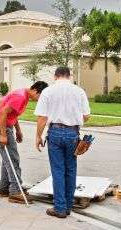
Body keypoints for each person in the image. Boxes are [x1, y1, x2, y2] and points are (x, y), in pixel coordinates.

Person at [34, 66, 90, 218]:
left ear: (55, 76)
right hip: (73, 133)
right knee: (70, 170)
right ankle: (68, 206)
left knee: (58, 170)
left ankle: (59, 208)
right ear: (69, 76)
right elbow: (86, 116)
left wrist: (38, 136)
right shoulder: (79, 91)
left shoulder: (48, 91)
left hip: (55, 132)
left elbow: (42, 118)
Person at [0, 81, 48, 203]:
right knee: (13, 159)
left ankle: (3, 189)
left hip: (7, 126)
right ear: (35, 91)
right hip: (1, 126)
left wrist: (18, 130)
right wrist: (3, 134)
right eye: (40, 96)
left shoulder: (24, 95)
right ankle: (15, 191)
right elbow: (3, 113)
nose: (39, 100)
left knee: (7, 159)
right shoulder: (20, 96)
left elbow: (12, 114)